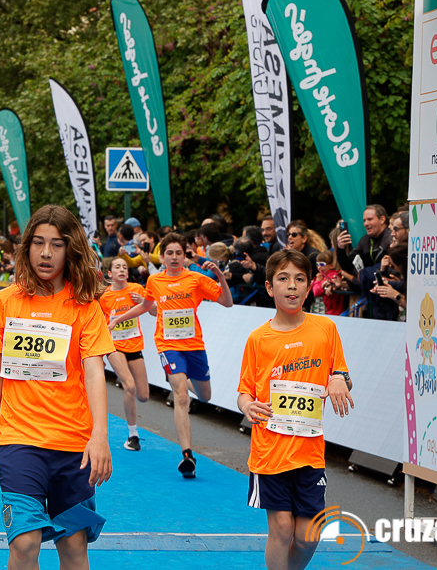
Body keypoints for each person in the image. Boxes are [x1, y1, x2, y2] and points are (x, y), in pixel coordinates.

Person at [0, 204, 114, 570]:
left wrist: (100, 436)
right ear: (27, 247)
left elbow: (95, 373)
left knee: (74, 546)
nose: (46, 253)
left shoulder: (86, 307)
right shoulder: (4, 302)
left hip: (73, 444)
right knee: (25, 542)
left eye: (56, 244)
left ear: (71, 249)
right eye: (38, 243)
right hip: (19, 440)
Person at [237, 249, 354, 570]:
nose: (292, 286)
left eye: (300, 279)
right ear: (269, 286)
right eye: (283, 279)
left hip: (309, 452)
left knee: (308, 536)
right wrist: (247, 406)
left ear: (309, 285)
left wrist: (339, 379)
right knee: (282, 528)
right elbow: (244, 392)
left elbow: (342, 375)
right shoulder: (258, 339)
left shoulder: (325, 329)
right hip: (270, 452)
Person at [140, 232, 232, 478]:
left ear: (185, 256)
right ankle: (187, 455)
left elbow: (227, 302)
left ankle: (184, 382)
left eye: (178, 253)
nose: (173, 257)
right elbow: (148, 308)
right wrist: (118, 319)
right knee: (181, 396)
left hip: (194, 346)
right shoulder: (154, 280)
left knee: (205, 395)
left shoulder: (196, 279)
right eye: (169, 253)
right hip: (167, 345)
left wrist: (220, 275)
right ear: (162, 256)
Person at [99, 258, 149, 450]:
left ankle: (133, 432)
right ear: (110, 274)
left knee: (143, 395)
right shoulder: (104, 297)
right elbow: (99, 325)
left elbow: (154, 311)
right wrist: (99, 355)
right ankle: (132, 434)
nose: (121, 270)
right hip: (114, 346)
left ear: (128, 273)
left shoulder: (137, 289)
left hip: (134, 346)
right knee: (129, 386)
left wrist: (144, 302)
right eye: (117, 267)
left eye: (124, 267)